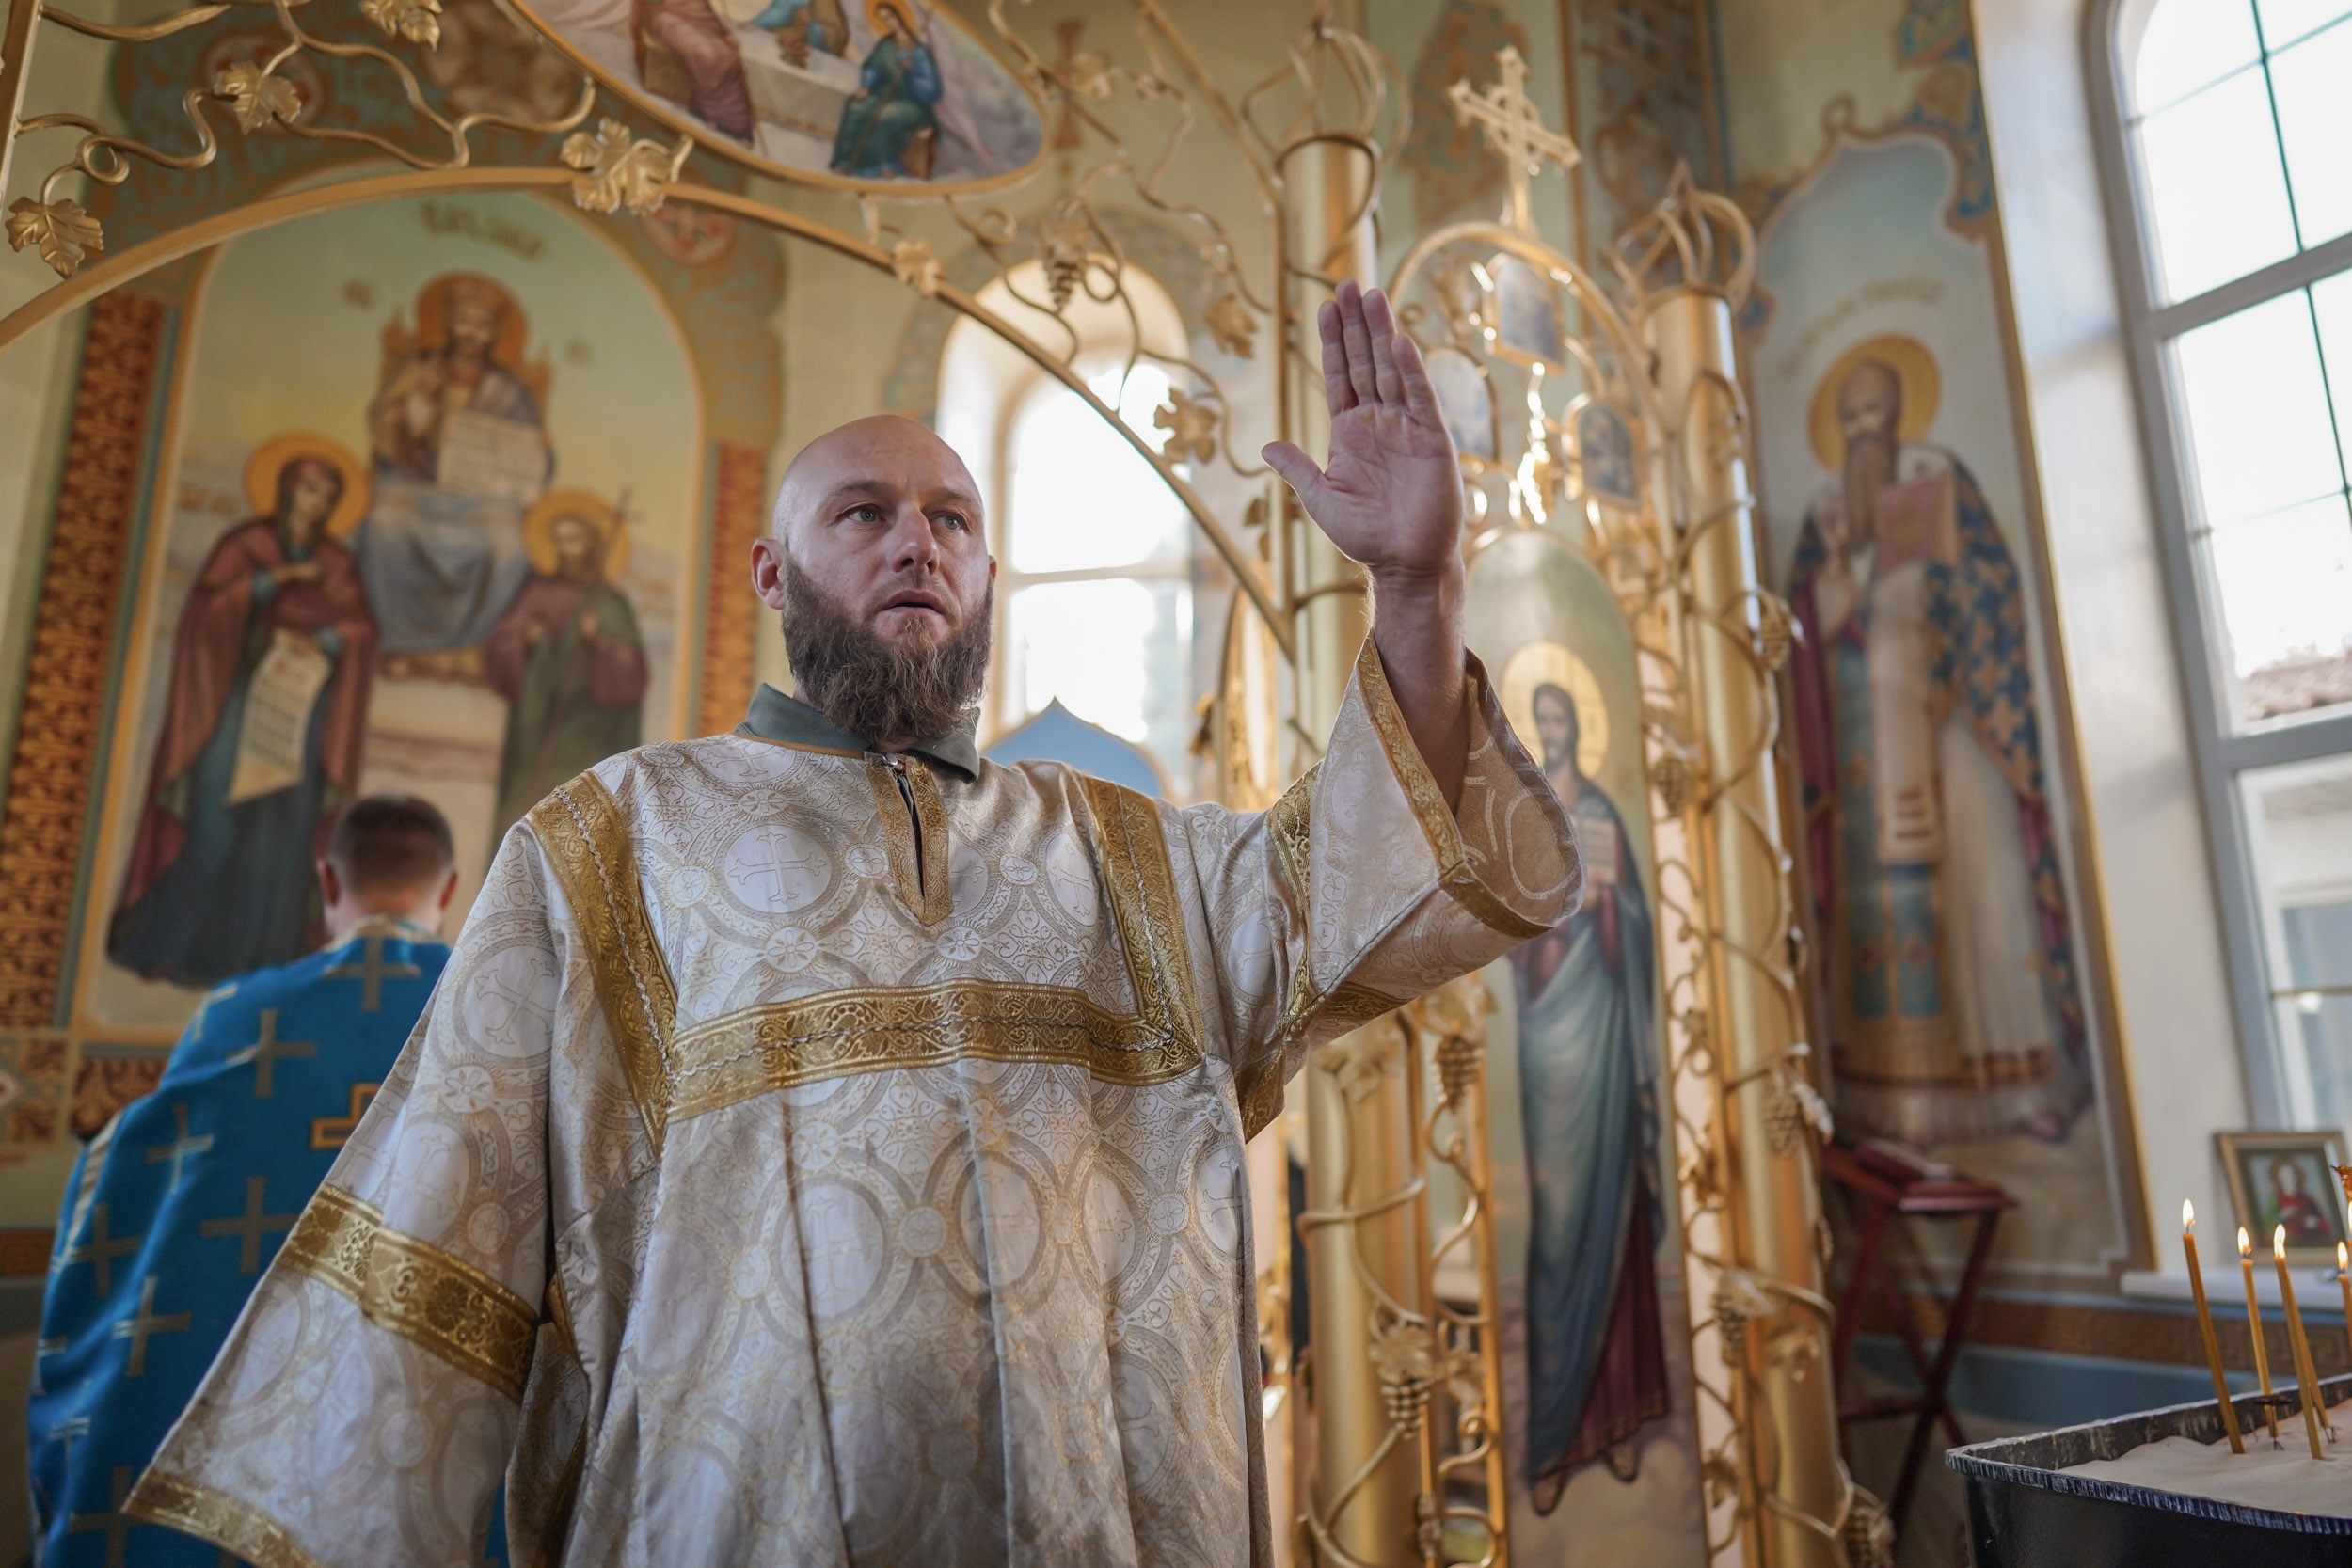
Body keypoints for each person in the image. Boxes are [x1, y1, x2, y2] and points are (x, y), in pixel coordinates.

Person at [129, 280, 1581, 1566]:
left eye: (952, 519)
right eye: (863, 513)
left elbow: (1364, 885)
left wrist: (1416, 586)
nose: (916, 544)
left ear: (989, 575)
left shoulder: (1124, 851)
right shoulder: (613, 837)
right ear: (774, 572)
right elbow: (448, 1220)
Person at [36, 796, 461, 1566]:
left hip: (239, 1407)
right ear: (452, 888)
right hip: (429, 1408)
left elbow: (130, 1170)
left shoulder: (238, 1011)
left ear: (326, 882)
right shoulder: (493, 1009)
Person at [1788, 349, 2088, 1148]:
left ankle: (2020, 1077)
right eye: (1850, 418)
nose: (1863, 432)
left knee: (1987, 886)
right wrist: (1839, 572)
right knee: (1874, 913)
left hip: (1952, 722)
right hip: (1861, 751)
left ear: (1900, 413)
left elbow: (1994, 587)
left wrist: (1934, 580)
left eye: (1875, 413)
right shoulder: (1825, 511)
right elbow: (1794, 634)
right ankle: (1881, 1096)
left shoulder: (1939, 478)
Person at [109, 441, 377, 988]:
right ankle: (173, 948)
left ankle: (262, 963)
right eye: (310, 489)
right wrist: (271, 581)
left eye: (328, 495)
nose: (318, 502)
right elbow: (207, 612)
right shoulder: (245, 545)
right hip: (231, 708)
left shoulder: (337, 565)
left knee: (282, 839)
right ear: (287, 490)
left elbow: (361, 631)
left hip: (299, 720)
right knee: (214, 825)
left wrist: (323, 641)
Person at [1511, 682, 1665, 1504]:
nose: (1554, 729)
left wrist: (1612, 906)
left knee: (1616, 1202)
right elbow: (1506, 931)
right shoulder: (1524, 813)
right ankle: (1552, 1435)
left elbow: (1639, 923)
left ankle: (1617, 1417)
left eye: (1563, 717)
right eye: (1543, 719)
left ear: (1577, 726)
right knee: (1559, 1219)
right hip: (1548, 1034)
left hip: (1605, 1021)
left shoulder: (1602, 810)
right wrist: (1563, 915)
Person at [358, 274, 548, 657]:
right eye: (464, 321)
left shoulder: (509, 391)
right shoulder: (420, 369)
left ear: (494, 334)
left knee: (510, 548)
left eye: (482, 326)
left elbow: (536, 458)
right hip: (416, 484)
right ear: (448, 324)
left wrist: (531, 455)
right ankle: (398, 637)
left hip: (482, 498)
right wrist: (421, 402)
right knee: (386, 524)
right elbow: (384, 427)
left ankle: (472, 644)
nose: (471, 333)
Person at [485, 495, 648, 846]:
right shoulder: (537, 591)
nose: (564, 549)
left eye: (572, 540)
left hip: (587, 727)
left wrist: (599, 642)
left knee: (579, 817)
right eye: (559, 540)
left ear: (590, 546)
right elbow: (502, 644)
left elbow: (632, 671)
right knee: (527, 806)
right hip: (536, 726)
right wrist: (526, 641)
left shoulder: (609, 601)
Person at [830, 0, 940, 178]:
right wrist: (866, 86)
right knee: (855, 106)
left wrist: (912, 73)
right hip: (884, 94)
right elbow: (873, 67)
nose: (888, 22)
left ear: (900, 17)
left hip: (914, 105)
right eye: (883, 19)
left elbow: (932, 91)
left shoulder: (919, 52)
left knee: (886, 114)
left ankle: (884, 165)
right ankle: (844, 161)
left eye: (890, 17)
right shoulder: (886, 45)